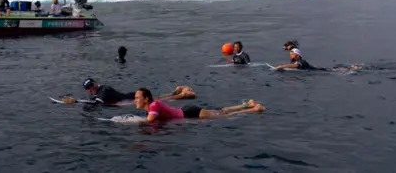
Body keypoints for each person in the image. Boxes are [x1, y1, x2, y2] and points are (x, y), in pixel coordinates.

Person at [132, 88, 265, 122]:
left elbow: (148, 121)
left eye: (137, 98)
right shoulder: (152, 106)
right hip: (186, 111)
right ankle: (248, 104)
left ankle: (254, 109)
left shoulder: (154, 105)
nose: (135, 100)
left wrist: (124, 121)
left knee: (224, 116)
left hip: (189, 113)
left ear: (146, 99)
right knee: (221, 111)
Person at [60, 80, 197, 104]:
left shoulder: (104, 90)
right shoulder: (99, 91)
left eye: (91, 86)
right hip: (131, 95)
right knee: (157, 97)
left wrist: (76, 101)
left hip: (130, 97)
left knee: (157, 99)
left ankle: (182, 94)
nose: (90, 89)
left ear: (95, 84)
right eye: (88, 88)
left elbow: (98, 103)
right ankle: (176, 91)